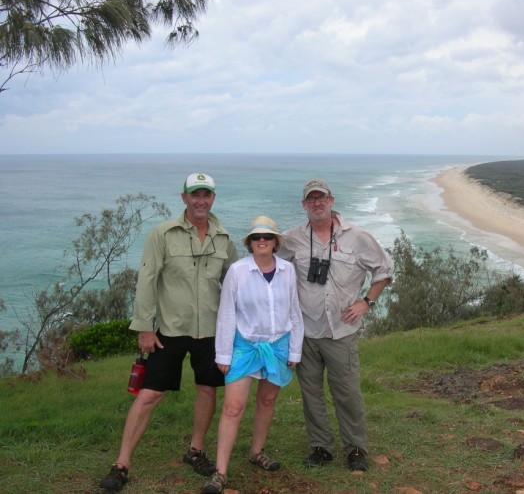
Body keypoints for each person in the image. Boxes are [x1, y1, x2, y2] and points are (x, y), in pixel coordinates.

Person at [99, 173, 238, 492]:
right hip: (170, 330)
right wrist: (144, 327)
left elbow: (235, 282)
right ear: (184, 198)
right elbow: (146, 280)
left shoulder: (224, 237)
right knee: (149, 395)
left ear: (213, 198)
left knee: (207, 389)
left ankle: (195, 451)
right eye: (195, 195)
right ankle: (121, 464)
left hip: (210, 332)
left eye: (206, 195)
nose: (201, 200)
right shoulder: (162, 233)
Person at [278, 179, 394, 472]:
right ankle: (321, 448)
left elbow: (385, 270)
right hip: (306, 331)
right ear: (304, 205)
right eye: (311, 199)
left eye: (322, 198)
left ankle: (356, 448)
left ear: (332, 200)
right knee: (311, 394)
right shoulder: (291, 239)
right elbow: (266, 261)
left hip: (341, 331)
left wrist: (366, 302)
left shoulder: (357, 237)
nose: (317, 203)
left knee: (347, 393)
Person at [202, 216, 304, 494]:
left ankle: (257, 451)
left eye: (268, 237)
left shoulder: (287, 270)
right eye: (257, 237)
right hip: (244, 346)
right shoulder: (237, 271)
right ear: (249, 242)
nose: (262, 240)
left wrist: (295, 348)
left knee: (267, 400)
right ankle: (220, 472)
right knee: (233, 408)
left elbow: (294, 311)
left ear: (275, 242)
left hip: (278, 345)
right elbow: (227, 314)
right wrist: (223, 355)